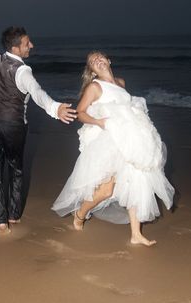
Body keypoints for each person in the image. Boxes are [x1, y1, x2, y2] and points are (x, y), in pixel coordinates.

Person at [0, 26, 77, 234]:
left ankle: (0, 221)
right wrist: (56, 108)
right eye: (27, 43)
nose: (31, 45)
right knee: (16, 170)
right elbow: (38, 93)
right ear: (15, 47)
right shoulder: (23, 70)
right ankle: (13, 215)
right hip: (13, 127)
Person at [52, 51, 174, 246]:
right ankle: (80, 214)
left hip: (130, 138)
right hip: (109, 140)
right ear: (91, 71)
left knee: (135, 181)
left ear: (108, 60)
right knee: (106, 191)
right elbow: (81, 113)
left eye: (100, 57)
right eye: (92, 61)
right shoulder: (95, 86)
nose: (97, 61)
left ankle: (136, 234)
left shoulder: (121, 83)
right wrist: (98, 122)